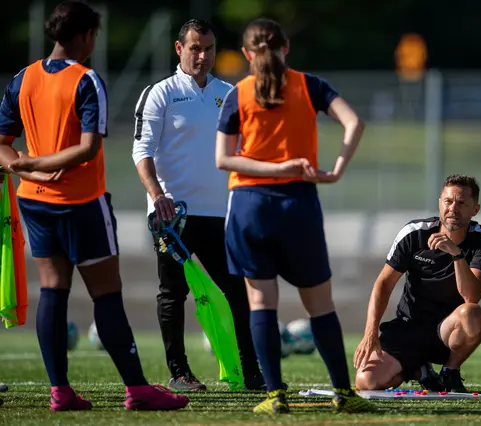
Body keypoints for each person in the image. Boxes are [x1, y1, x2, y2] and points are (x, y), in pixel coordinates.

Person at [0, 1, 188, 411]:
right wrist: (35, 165)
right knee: (106, 295)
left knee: (53, 291)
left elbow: (2, 145)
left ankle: (60, 392)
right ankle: (138, 390)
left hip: (34, 202)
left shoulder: (22, 78)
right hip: (81, 203)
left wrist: (26, 171)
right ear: (85, 36)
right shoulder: (87, 80)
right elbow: (87, 149)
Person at [216, 18, 375, 415]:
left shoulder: (239, 93)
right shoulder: (310, 86)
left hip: (249, 207)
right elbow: (354, 122)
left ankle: (274, 395)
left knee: (260, 303)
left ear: (247, 55)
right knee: (320, 305)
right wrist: (334, 169)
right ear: (286, 48)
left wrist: (274, 168)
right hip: (298, 205)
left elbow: (223, 159)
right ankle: (343, 393)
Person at [132, 18, 263, 392]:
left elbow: (245, 151)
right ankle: (180, 372)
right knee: (173, 293)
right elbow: (141, 150)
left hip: (223, 215)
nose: (202, 55)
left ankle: (251, 371)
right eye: (194, 48)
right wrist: (158, 196)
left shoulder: (230, 92)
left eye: (208, 48)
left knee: (239, 291)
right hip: (173, 216)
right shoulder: (160, 93)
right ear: (179, 49)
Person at [353, 174, 481, 393]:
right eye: (448, 201)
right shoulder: (414, 233)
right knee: (367, 382)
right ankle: (420, 371)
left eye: (462, 203)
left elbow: (472, 296)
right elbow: (384, 284)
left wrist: (456, 255)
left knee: (472, 314)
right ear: (440, 203)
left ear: (474, 210)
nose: (453, 208)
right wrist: (370, 333)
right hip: (408, 327)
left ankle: (450, 371)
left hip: (447, 333)